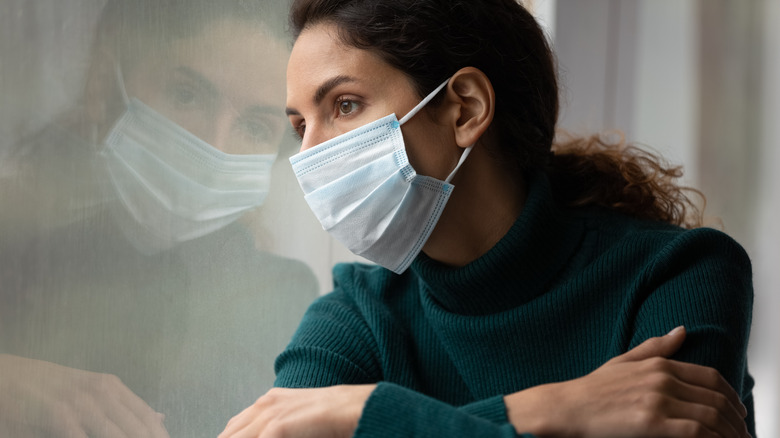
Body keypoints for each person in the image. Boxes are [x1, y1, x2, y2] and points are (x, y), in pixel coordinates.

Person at [218, 0, 756, 437]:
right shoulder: (356, 314)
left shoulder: (680, 272)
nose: (310, 155)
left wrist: (362, 415)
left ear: (465, 109)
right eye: (298, 126)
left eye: (344, 105)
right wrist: (552, 410)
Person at [0, 1, 318, 437]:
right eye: (186, 95)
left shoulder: (282, 298)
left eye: (254, 127)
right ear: (103, 88)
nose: (213, 146)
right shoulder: (17, 247)